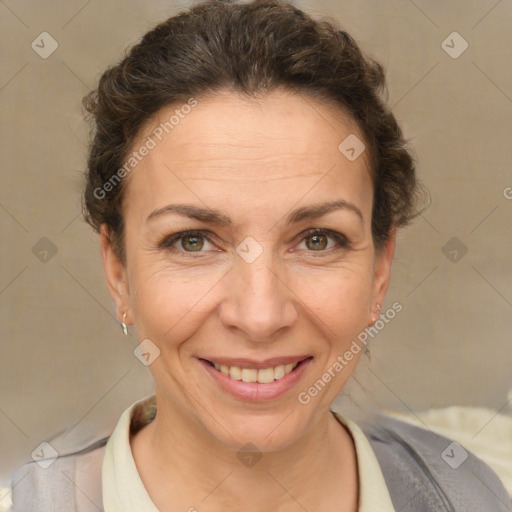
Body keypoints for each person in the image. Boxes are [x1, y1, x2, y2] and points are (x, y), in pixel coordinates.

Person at [10, 1, 511, 510]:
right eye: (193, 241)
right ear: (118, 272)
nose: (260, 316)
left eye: (317, 239)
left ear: (379, 271)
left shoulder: (480, 492)